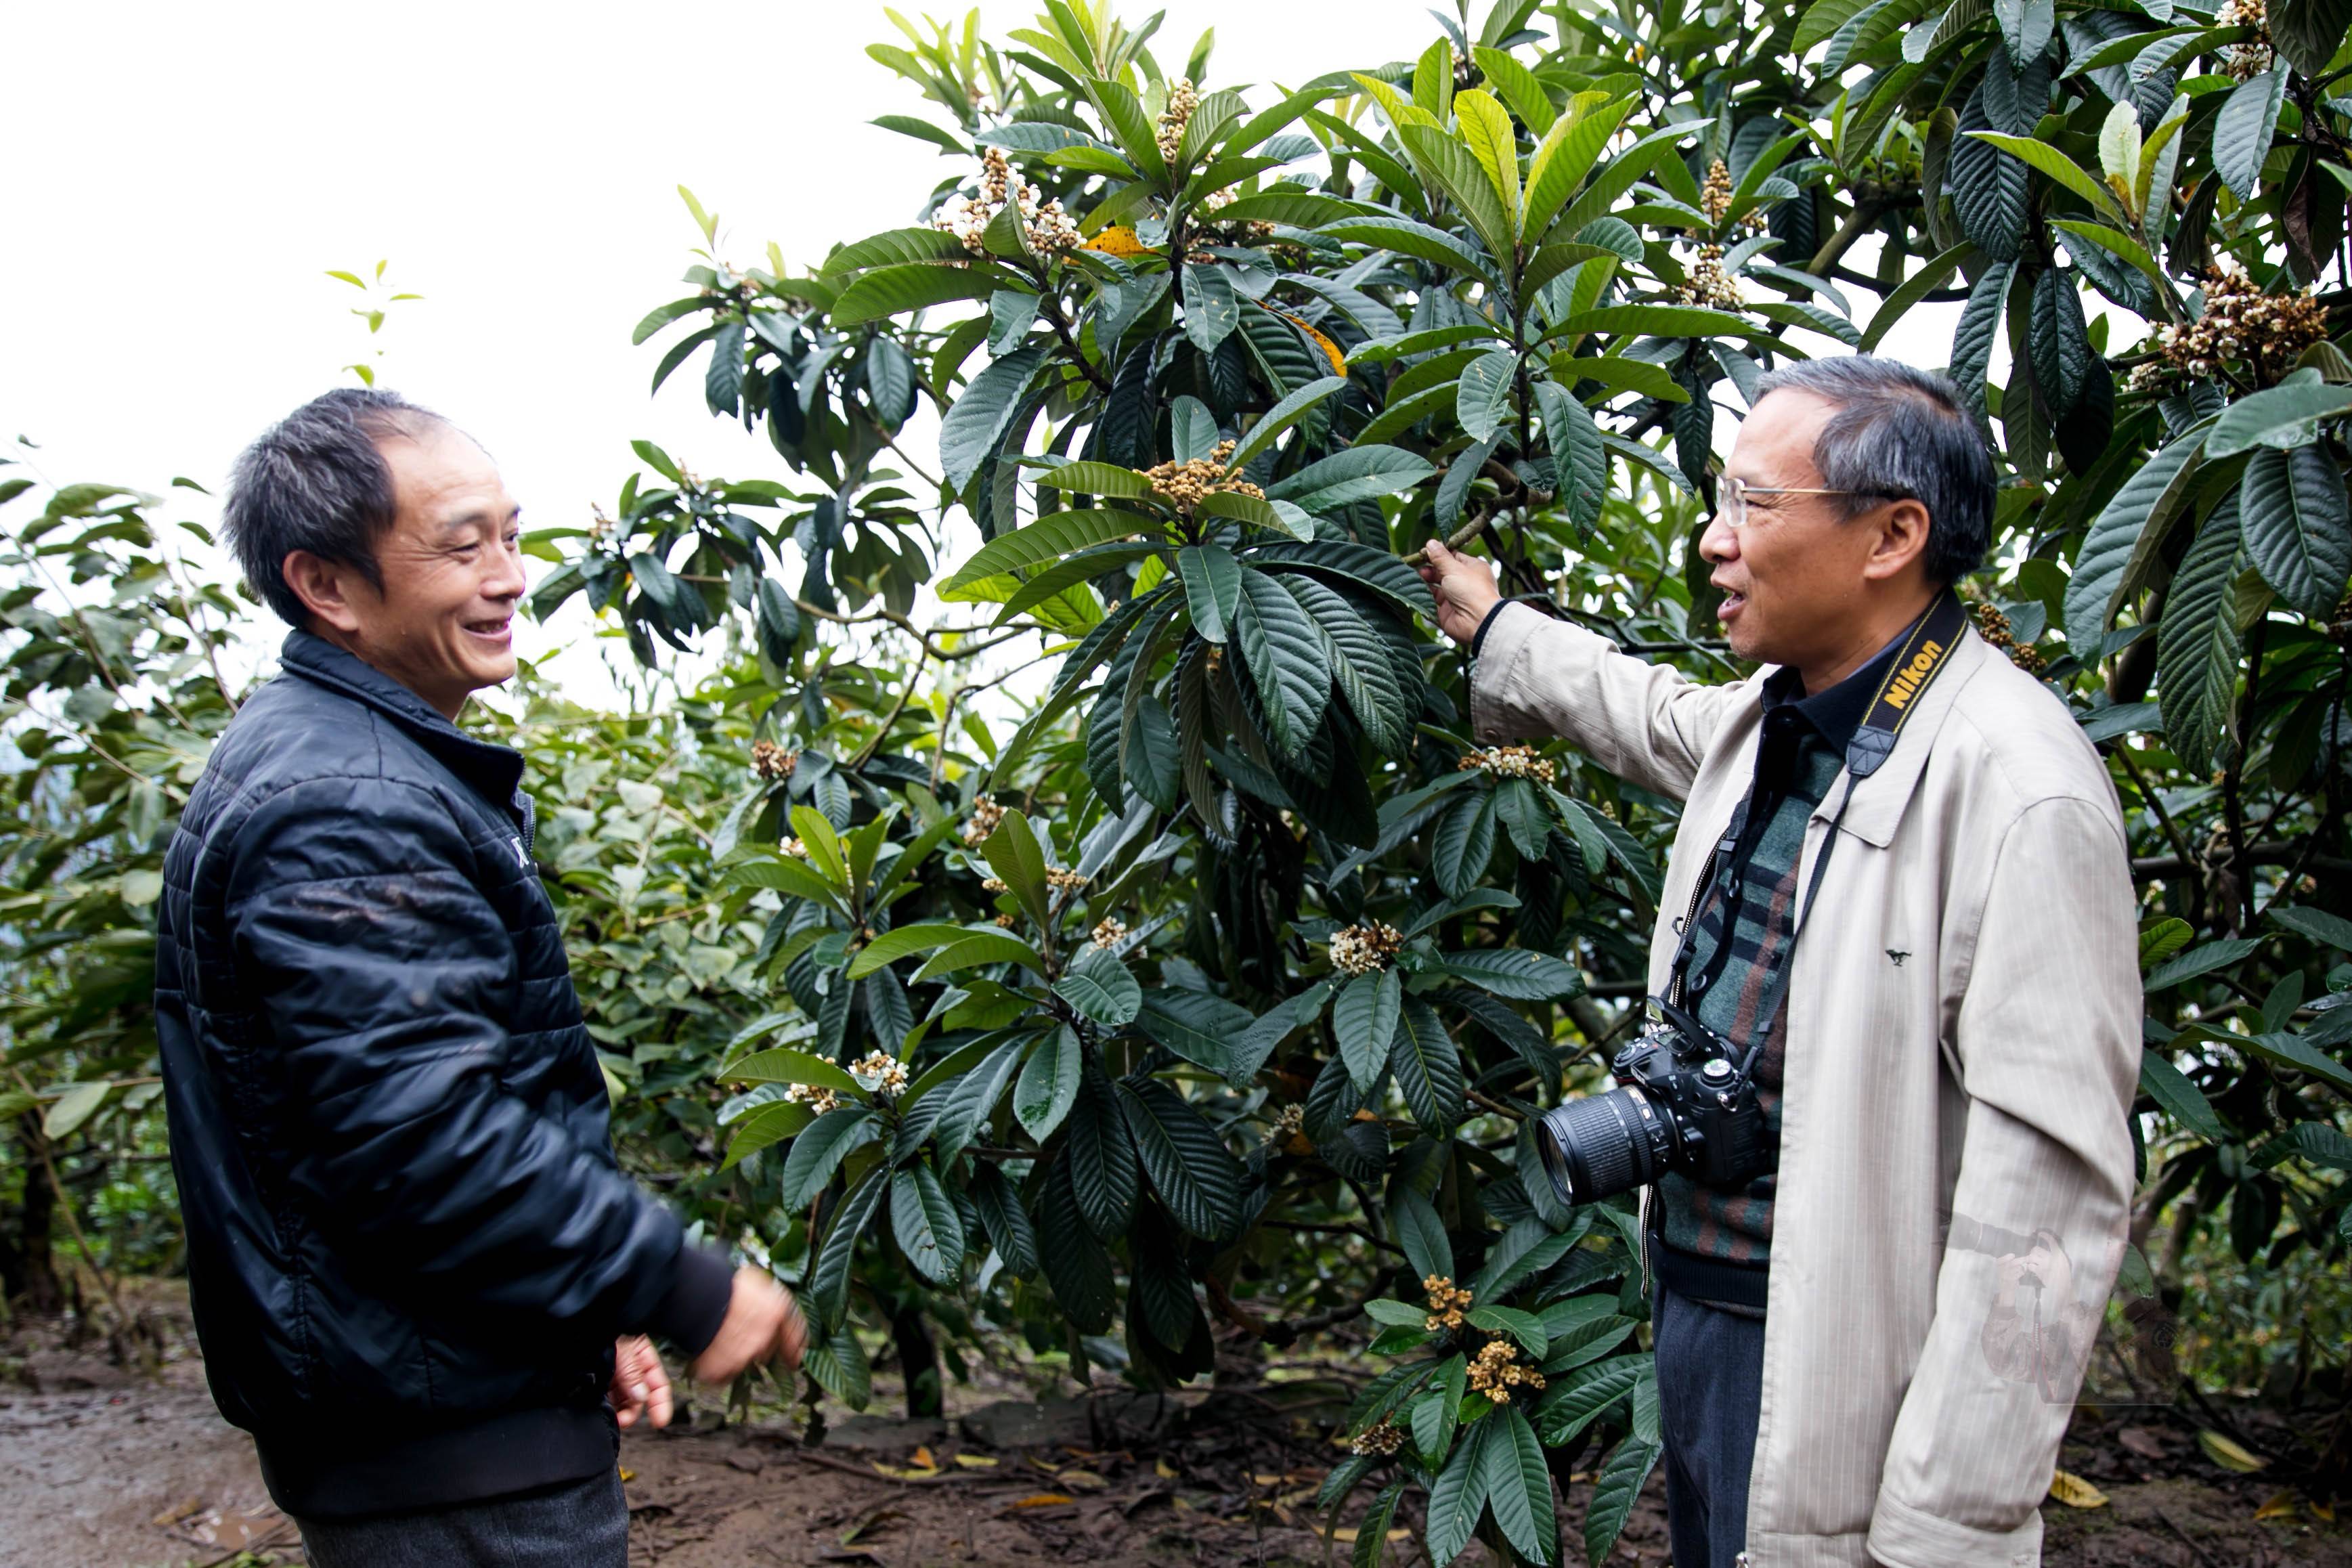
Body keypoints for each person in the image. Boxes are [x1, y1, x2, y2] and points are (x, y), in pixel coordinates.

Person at [1419, 357, 2139, 1568]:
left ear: (1890, 536)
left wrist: (1949, 1523)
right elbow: (1653, 715)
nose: (1714, 540)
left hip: (1835, 1338)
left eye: (1753, 506)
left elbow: (2048, 1210)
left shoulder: (2018, 790)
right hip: (1702, 1294)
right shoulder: (1786, 716)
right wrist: (1497, 629)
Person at [155, 387, 806, 1567]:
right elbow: (425, 1139)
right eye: (462, 545)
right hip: (439, 1456)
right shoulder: (348, 801)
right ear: (329, 587)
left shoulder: (349, 757)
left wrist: (571, 1314)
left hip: (437, 1403)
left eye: (511, 533)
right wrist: (680, 1283)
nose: (508, 575)